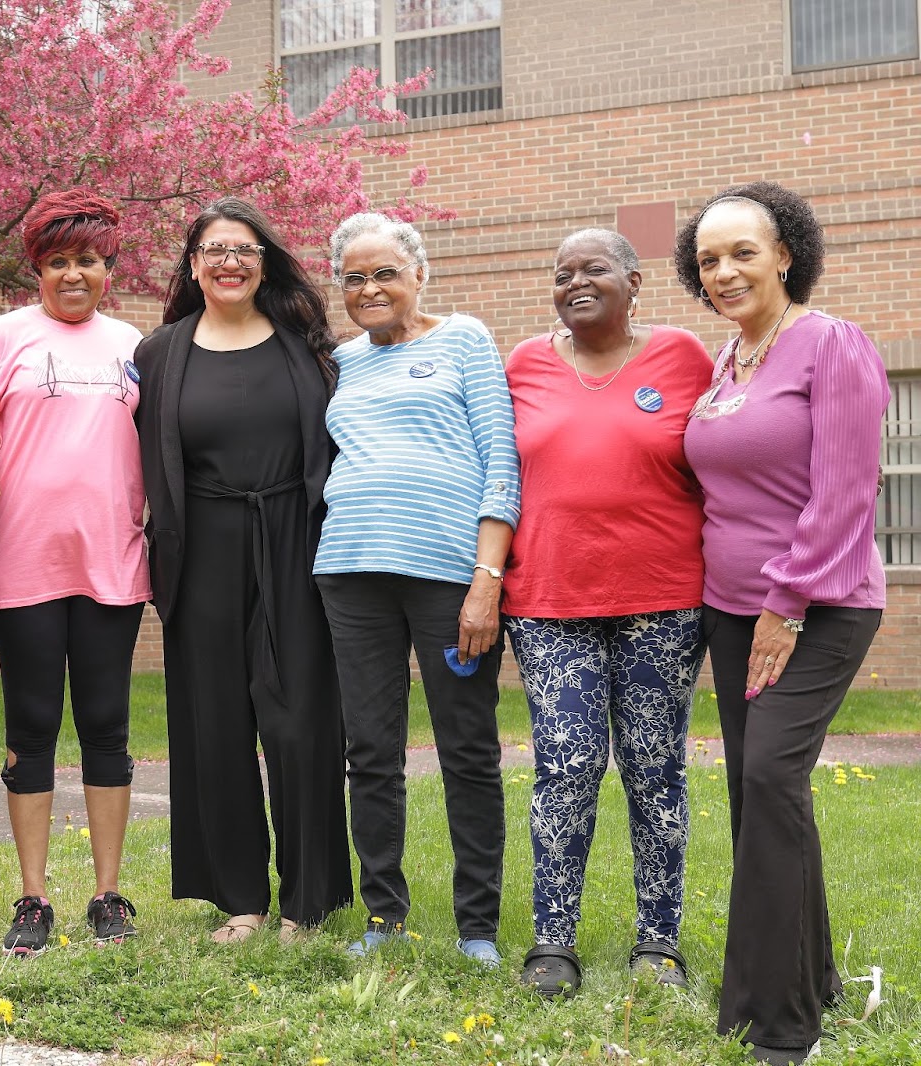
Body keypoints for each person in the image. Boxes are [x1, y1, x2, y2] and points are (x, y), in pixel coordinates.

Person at [676, 182, 887, 1066]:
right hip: (733, 611)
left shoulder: (831, 345)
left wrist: (786, 602)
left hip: (817, 606)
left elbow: (845, 493)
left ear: (786, 254)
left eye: (743, 253)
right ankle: (813, 983)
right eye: (709, 260)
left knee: (766, 780)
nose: (724, 272)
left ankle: (778, 1023)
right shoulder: (731, 360)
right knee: (766, 794)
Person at [503, 229, 713, 997]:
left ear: (635, 280)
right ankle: (553, 942)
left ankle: (659, 942)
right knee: (567, 764)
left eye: (594, 269)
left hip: (663, 599)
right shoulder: (523, 362)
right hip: (550, 601)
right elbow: (500, 472)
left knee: (656, 771)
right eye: (562, 274)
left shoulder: (684, 356)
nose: (575, 282)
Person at [135, 197, 352, 944]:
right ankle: (242, 902)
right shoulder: (160, 352)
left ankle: (307, 900)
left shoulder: (307, 344)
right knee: (214, 720)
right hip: (201, 546)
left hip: (296, 537)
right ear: (193, 266)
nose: (230, 262)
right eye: (215, 251)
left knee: (300, 719)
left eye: (245, 250)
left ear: (266, 264)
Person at [313, 213, 516, 967]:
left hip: (447, 577)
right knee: (370, 751)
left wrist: (485, 581)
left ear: (418, 274)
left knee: (466, 748)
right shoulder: (343, 361)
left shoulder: (463, 339)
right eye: (354, 278)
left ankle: (477, 927)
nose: (370, 289)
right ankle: (384, 916)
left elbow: (501, 461)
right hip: (349, 572)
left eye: (384, 273)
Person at [0, 191, 150, 955]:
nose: (75, 274)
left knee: (107, 727)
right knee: (30, 729)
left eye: (89, 262)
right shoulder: (2, 340)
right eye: (59, 262)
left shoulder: (135, 345)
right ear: (38, 269)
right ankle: (33, 899)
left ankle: (108, 895)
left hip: (113, 563)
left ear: (109, 270)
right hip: (22, 564)